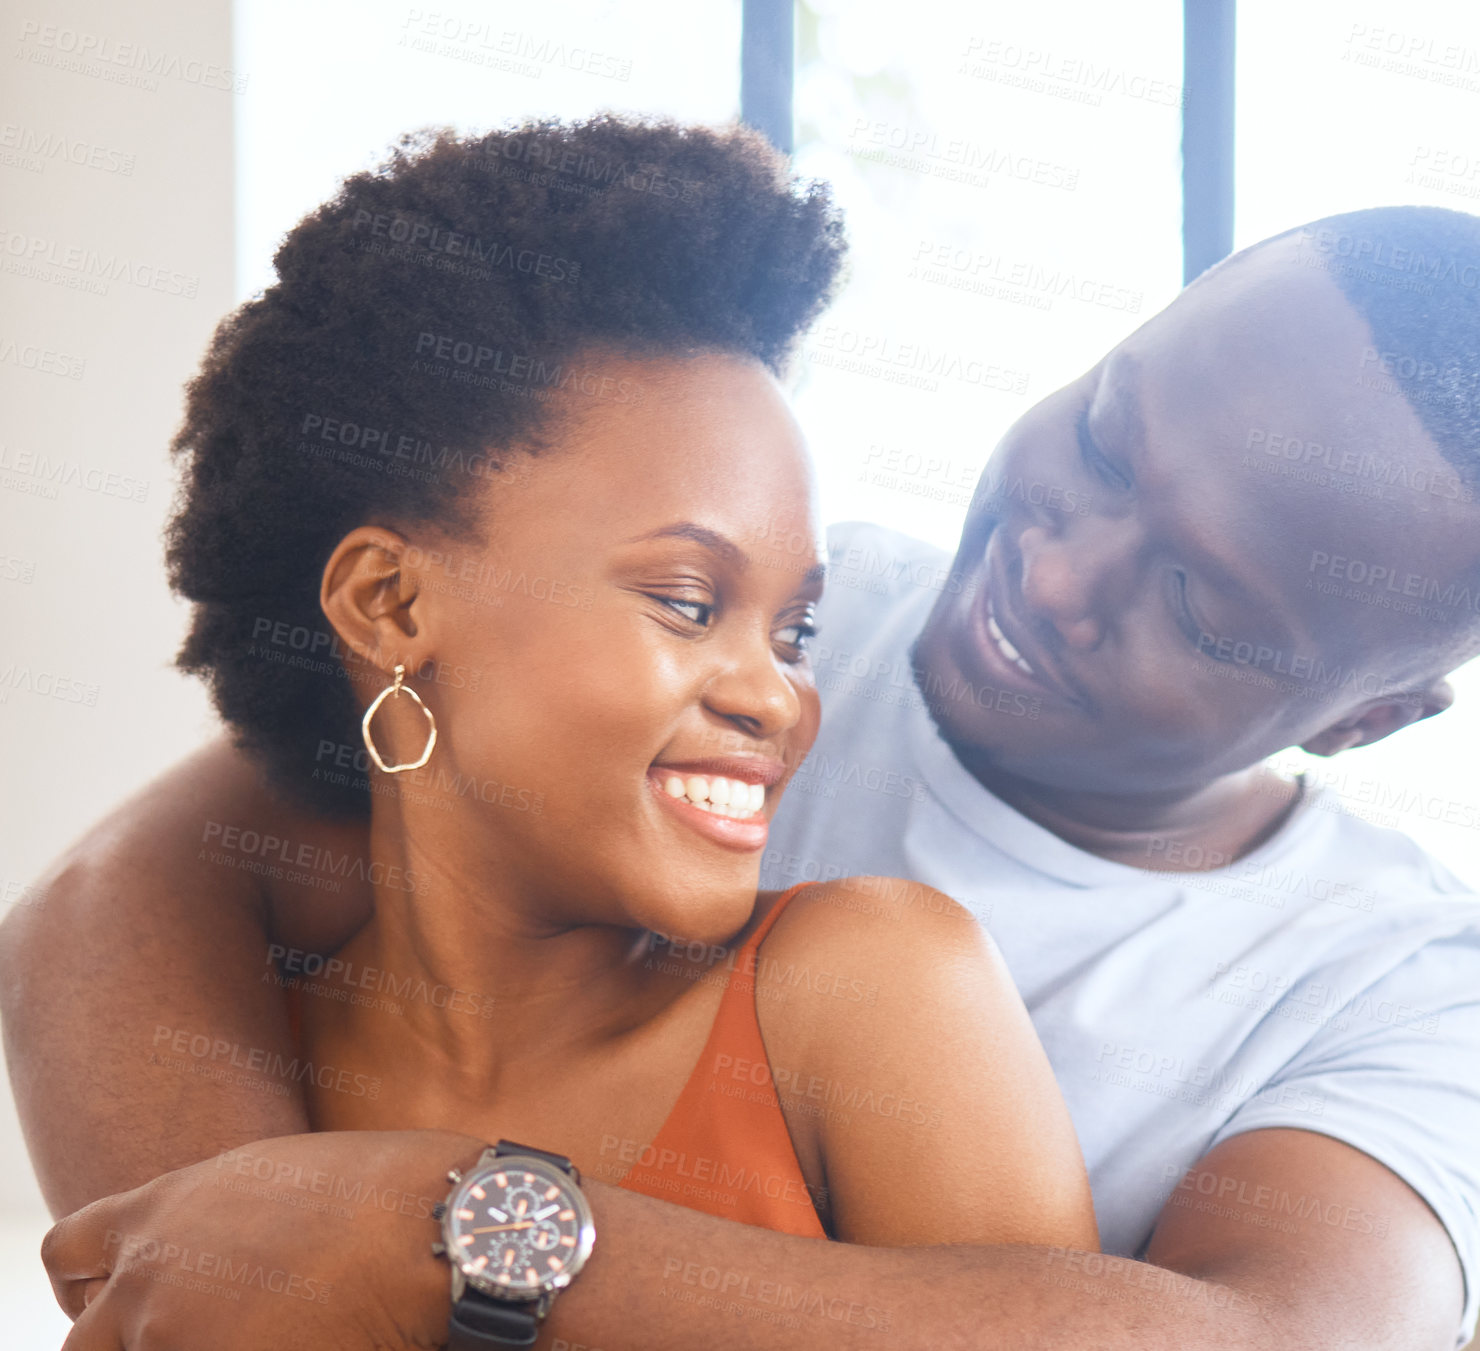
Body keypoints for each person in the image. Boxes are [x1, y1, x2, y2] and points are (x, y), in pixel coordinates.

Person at [5, 187, 1480, 1349]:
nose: (1058, 572)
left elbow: (1268, 1342)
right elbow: (110, 907)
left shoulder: (1410, 996)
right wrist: (227, 1268)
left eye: (1202, 608)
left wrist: (435, 1236)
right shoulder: (762, 602)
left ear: (1369, 718)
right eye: (1102, 443)